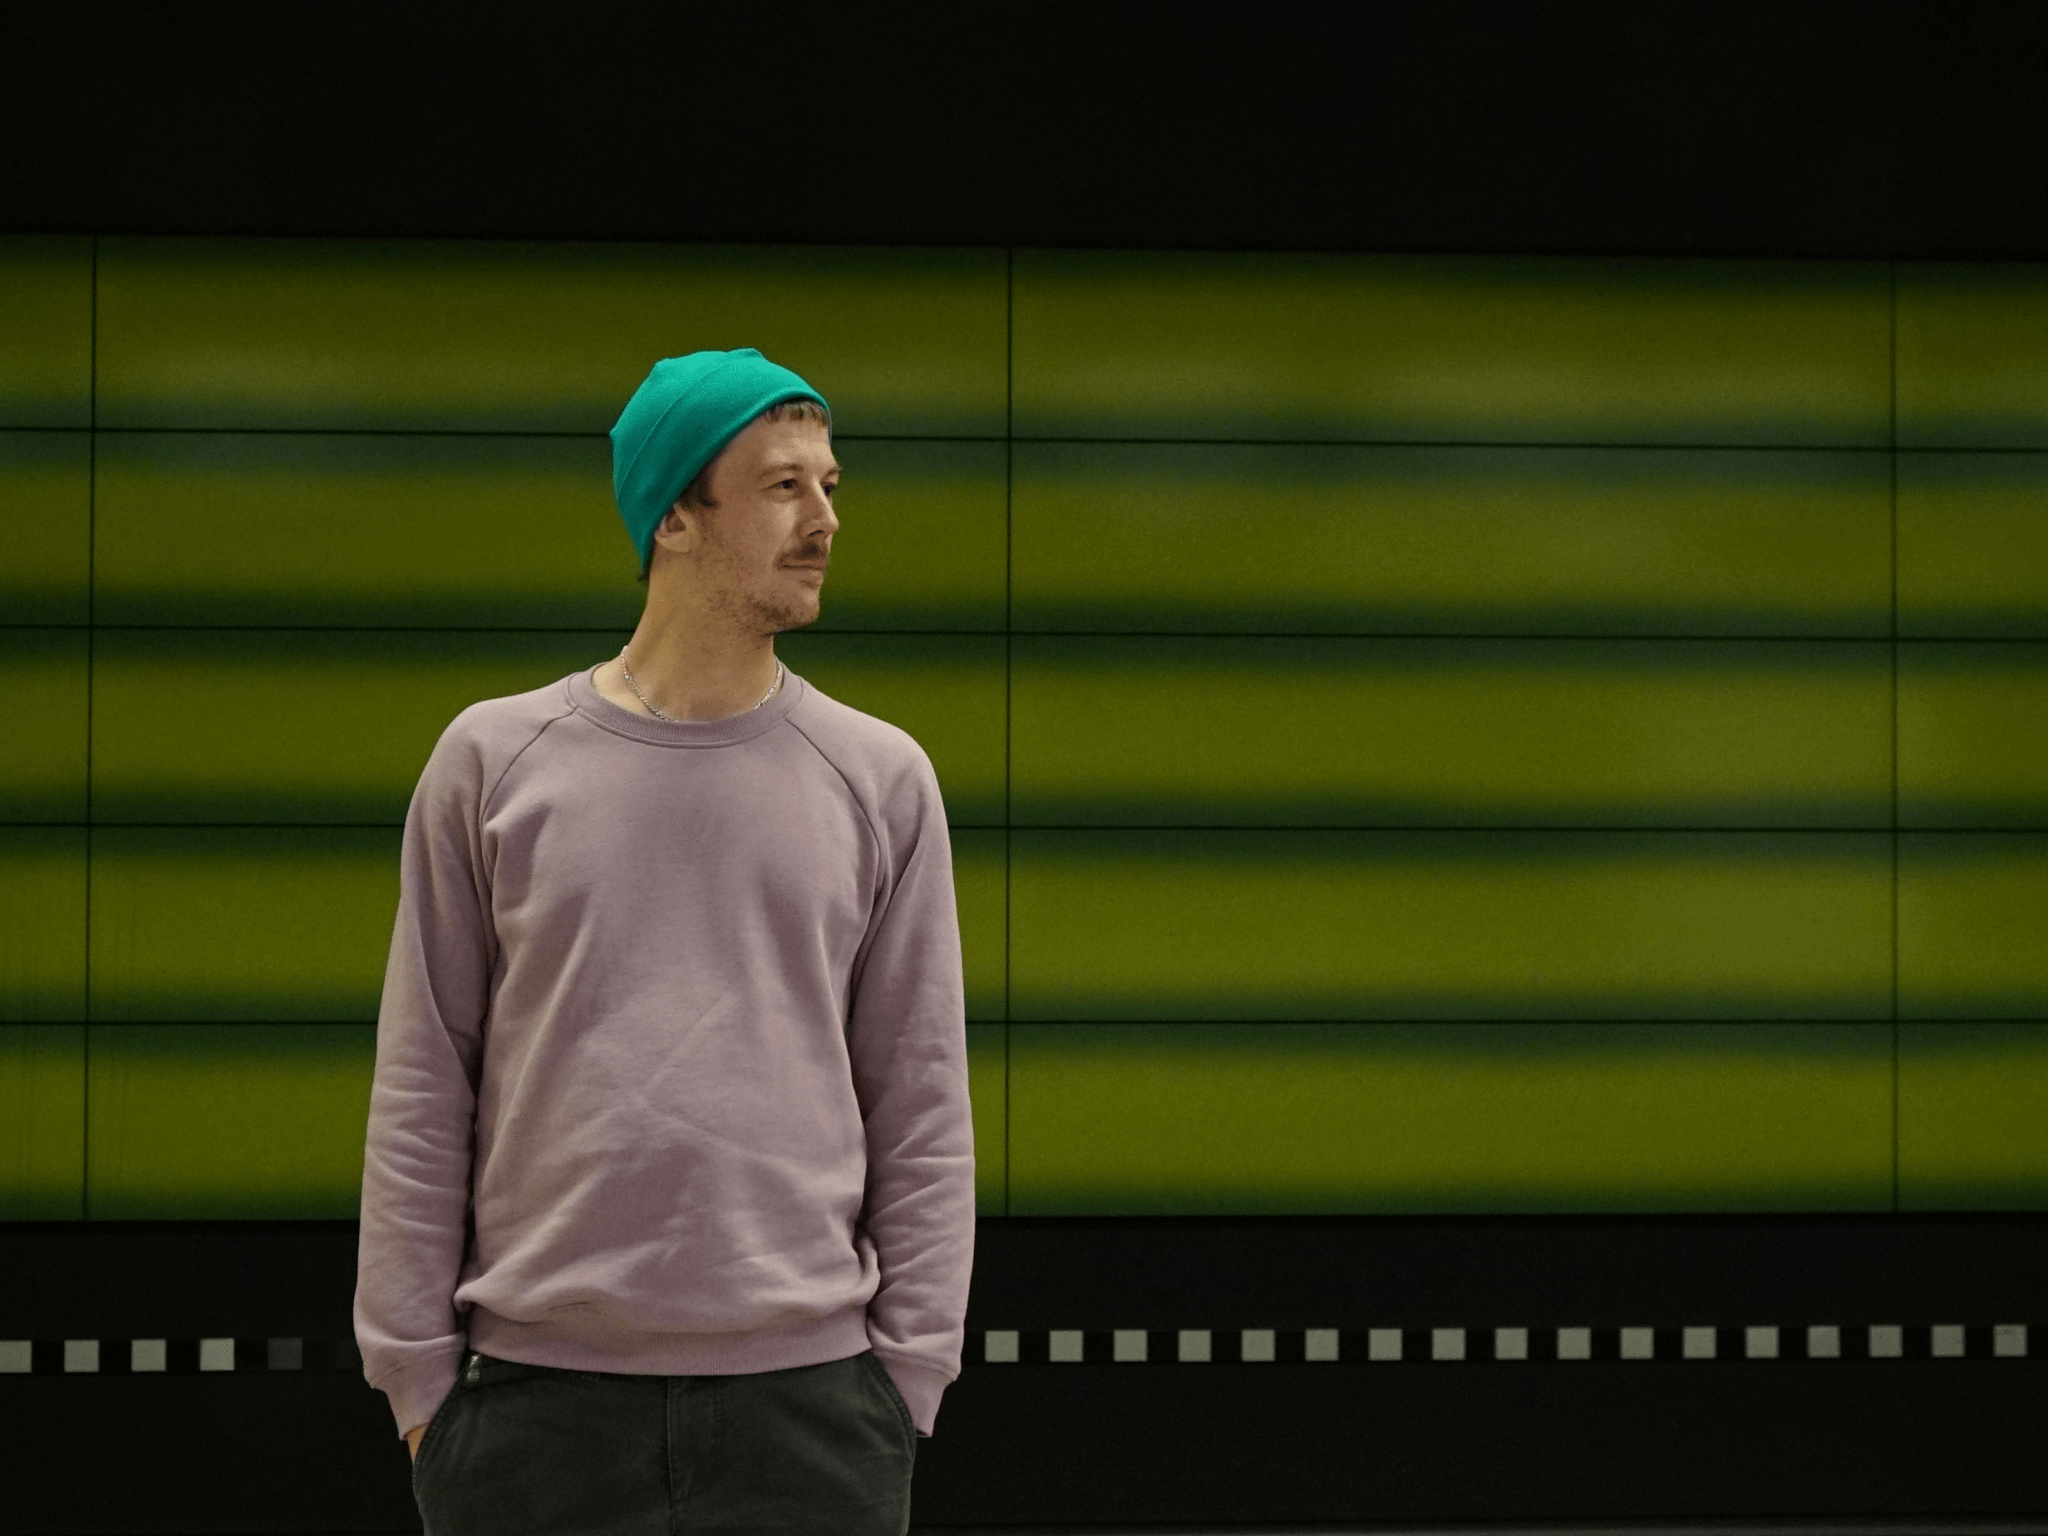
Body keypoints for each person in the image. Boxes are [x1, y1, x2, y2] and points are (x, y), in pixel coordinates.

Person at [354, 348, 975, 1536]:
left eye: (829, 485)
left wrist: (907, 1379)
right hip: (529, 1414)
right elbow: (424, 1084)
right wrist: (418, 1387)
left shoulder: (881, 777)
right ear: (673, 516)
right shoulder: (492, 763)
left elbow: (921, 1097)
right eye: (782, 486)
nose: (824, 520)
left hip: (814, 1414)